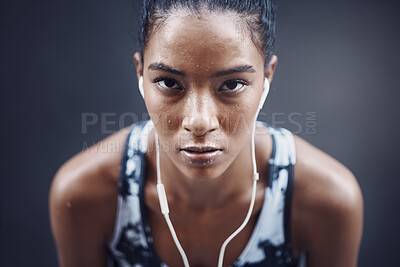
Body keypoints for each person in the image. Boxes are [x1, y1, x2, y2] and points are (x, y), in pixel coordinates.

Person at [49, 0, 363, 266]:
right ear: (140, 73)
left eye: (232, 84)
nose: (199, 122)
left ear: (267, 77)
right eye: (170, 83)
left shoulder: (325, 201)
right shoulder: (86, 196)